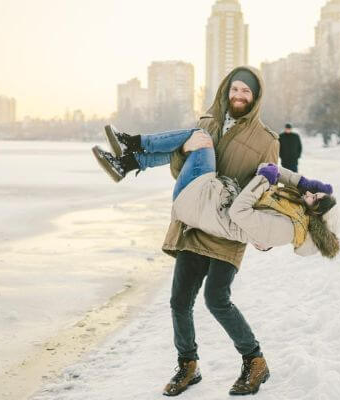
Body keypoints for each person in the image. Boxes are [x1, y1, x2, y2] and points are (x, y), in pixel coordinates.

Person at [96, 66, 280, 397]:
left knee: (216, 299)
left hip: (227, 226)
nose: (239, 96)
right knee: (179, 301)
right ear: (227, 90)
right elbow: (180, 171)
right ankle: (188, 365)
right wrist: (182, 151)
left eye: (246, 92)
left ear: (255, 98)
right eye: (235, 89)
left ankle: (254, 361)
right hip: (195, 221)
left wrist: (263, 227)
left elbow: (266, 188)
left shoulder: (266, 141)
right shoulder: (206, 124)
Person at [92, 128, 340, 258]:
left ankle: (132, 146)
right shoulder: (296, 213)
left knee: (200, 137)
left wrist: (263, 180)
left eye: (315, 198)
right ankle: (127, 163)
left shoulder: (286, 230)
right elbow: (279, 173)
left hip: (199, 201)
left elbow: (239, 211)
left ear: (316, 213)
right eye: (313, 194)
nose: (309, 195)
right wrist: (304, 181)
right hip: (206, 195)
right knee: (191, 146)